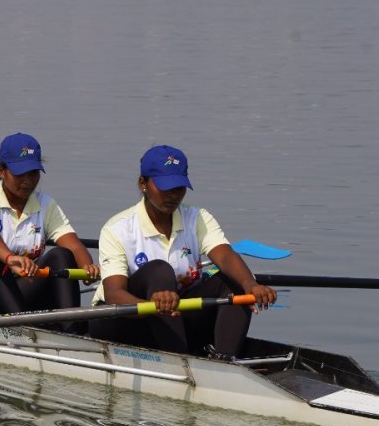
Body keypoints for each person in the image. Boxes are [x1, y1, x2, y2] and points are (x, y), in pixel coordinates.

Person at [88, 145, 277, 359]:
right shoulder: (118, 229)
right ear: (143, 184)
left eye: (179, 187)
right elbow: (113, 293)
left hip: (175, 317)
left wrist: (251, 285)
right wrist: (152, 306)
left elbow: (224, 255)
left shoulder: (197, 218)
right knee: (159, 271)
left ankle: (225, 360)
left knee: (234, 280)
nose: (173, 195)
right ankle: (181, 360)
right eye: (165, 187)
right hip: (123, 322)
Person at [0, 133, 100, 331]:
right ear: (1, 171)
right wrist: (9, 258)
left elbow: (72, 243)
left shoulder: (46, 205)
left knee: (61, 255)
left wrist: (87, 266)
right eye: (20, 173)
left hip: (14, 296)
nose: (27, 181)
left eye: (33, 173)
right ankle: (28, 331)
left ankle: (72, 332)